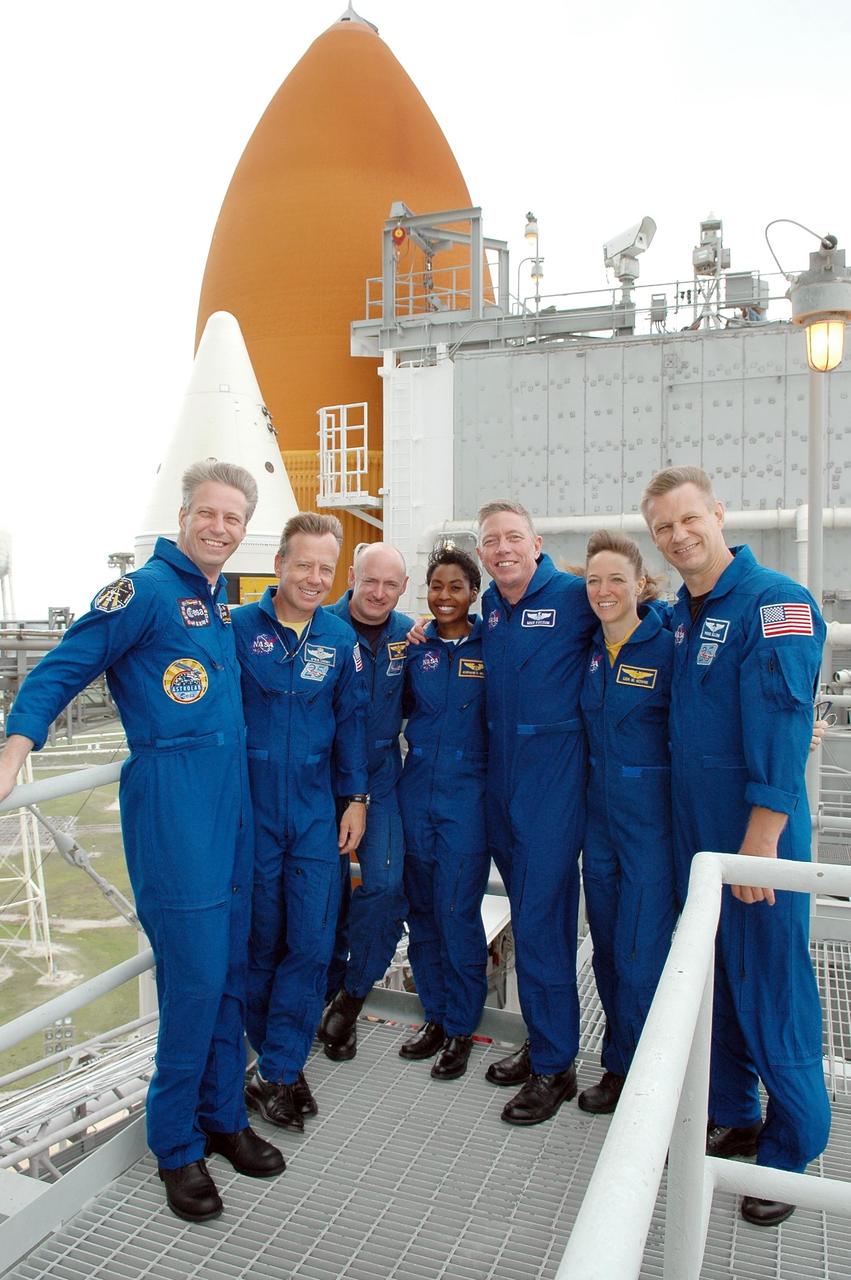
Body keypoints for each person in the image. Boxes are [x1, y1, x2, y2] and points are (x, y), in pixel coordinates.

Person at [0, 461, 284, 1223]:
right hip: (174, 802)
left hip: (230, 804)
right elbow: (66, 662)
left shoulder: (215, 602)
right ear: (184, 514)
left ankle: (224, 1117)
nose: (219, 528)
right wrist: (14, 746)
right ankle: (177, 1147)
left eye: (233, 518)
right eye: (208, 513)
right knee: (194, 978)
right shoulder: (146, 592)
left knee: (230, 969)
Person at [642, 464, 831, 1228]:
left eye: (688, 519)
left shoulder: (776, 602)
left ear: (718, 514)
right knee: (711, 985)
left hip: (754, 837)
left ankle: (791, 1151)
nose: (678, 536)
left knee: (770, 987)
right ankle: (735, 1112)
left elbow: (786, 723)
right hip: (696, 836)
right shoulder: (683, 616)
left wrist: (763, 837)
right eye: (662, 528)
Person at [232, 513, 369, 1130]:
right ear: (279, 565)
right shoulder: (235, 630)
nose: (315, 578)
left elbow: (353, 725)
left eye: (325, 568)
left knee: (313, 944)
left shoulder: (339, 640)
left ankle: (279, 1068)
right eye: (304, 565)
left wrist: (357, 800)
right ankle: (280, 1064)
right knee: (261, 944)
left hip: (316, 813)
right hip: (252, 811)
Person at [473, 500, 598, 1124]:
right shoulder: (490, 609)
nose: (503, 549)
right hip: (501, 785)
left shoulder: (576, 597)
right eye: (491, 541)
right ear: (481, 553)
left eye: (513, 537)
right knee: (526, 919)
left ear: (537, 542)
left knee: (545, 925)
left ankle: (555, 1066)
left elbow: (644, 628)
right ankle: (543, 1039)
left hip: (552, 787)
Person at [577, 530, 677, 1115]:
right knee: (609, 953)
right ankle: (620, 1063)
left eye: (617, 579)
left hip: (650, 828)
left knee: (643, 957)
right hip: (601, 824)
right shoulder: (591, 648)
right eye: (594, 580)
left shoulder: (667, 648)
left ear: (640, 583)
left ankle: (653, 1083)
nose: (604, 590)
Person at [396, 545, 490, 1081]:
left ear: (473, 593)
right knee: (423, 914)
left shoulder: (491, 644)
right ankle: (435, 1015)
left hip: (467, 796)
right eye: (436, 587)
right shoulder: (415, 647)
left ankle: (461, 1026)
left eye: (456, 587)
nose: (445, 596)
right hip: (417, 790)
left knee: (457, 912)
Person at [318, 542, 413, 1060]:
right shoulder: (320, 628)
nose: (378, 593)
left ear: (403, 588)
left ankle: (351, 998)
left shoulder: (409, 636)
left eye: (390, 585)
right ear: (352, 576)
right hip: (319, 775)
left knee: (386, 884)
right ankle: (326, 994)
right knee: (323, 897)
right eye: (369, 581)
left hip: (381, 775)